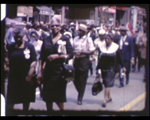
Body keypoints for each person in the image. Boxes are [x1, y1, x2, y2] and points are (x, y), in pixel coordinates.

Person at [37, 17, 73, 112]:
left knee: (59, 97)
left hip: (60, 72)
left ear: (60, 27)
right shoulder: (46, 39)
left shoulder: (65, 39)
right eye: (53, 26)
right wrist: (40, 72)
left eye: (57, 26)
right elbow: (42, 57)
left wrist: (57, 56)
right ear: (50, 27)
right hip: (48, 71)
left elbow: (71, 54)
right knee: (48, 97)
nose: (55, 28)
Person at [6, 27, 37, 115]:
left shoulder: (29, 46)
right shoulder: (11, 46)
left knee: (25, 99)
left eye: (19, 37)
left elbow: (34, 61)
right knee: (11, 100)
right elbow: (8, 58)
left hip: (26, 76)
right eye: (16, 37)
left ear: (23, 36)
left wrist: (30, 75)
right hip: (14, 77)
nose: (18, 39)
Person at [96, 33, 126, 107]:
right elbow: (99, 58)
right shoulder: (102, 46)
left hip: (112, 68)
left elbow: (120, 57)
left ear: (111, 40)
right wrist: (98, 69)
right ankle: (109, 97)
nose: (106, 40)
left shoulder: (116, 47)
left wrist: (123, 66)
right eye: (105, 38)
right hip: (103, 67)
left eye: (108, 39)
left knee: (107, 83)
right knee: (106, 83)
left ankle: (104, 99)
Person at [73, 23, 95, 105]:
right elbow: (72, 48)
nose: (79, 32)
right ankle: (80, 91)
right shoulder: (75, 39)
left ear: (84, 32)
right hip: (76, 60)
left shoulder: (88, 39)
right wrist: (74, 52)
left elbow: (92, 51)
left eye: (81, 31)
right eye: (79, 31)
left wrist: (82, 52)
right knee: (74, 78)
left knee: (82, 80)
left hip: (84, 60)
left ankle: (80, 97)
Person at [30, 31, 43, 98]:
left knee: (39, 76)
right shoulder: (30, 43)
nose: (33, 37)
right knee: (33, 76)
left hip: (39, 61)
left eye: (34, 36)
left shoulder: (41, 43)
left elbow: (43, 52)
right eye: (32, 36)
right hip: (33, 61)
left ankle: (41, 92)